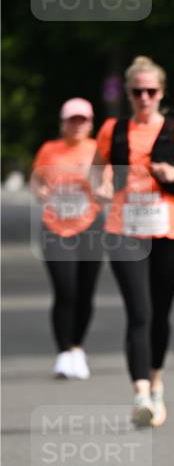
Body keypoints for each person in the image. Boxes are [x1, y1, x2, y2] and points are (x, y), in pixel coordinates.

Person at [91, 56, 174, 426]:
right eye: (137, 91)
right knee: (138, 313)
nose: (144, 97)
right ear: (127, 93)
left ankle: (156, 382)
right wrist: (103, 186)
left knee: (159, 314)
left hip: (169, 231)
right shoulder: (112, 129)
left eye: (150, 91)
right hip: (124, 230)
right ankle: (140, 392)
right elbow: (95, 173)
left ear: (161, 93)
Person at [31, 98, 104, 379]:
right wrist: (39, 191)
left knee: (85, 293)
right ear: (63, 123)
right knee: (65, 289)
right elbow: (36, 178)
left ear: (90, 123)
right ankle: (63, 352)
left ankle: (77, 348)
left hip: (89, 227)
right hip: (56, 228)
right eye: (72, 120)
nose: (77, 125)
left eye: (82, 120)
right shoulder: (50, 150)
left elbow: (109, 181)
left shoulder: (98, 150)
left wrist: (102, 188)